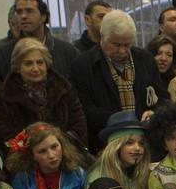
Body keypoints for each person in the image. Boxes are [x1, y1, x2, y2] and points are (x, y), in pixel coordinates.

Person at [71, 9, 169, 149]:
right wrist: (122, 122)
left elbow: (163, 97)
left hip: (145, 142)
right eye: (116, 45)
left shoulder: (145, 59)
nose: (122, 51)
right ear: (102, 37)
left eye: (127, 44)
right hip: (104, 144)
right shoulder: (83, 65)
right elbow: (84, 109)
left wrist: (155, 112)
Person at [0, 36, 88, 152]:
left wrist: (57, 148)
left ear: (46, 65)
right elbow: (2, 133)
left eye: (40, 62)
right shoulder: (2, 95)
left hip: (65, 156)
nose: (35, 68)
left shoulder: (64, 88)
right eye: (28, 64)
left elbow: (79, 126)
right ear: (18, 67)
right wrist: (34, 149)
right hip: (23, 160)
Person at [0, 0, 77, 85]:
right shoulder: (0, 56)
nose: (23, 16)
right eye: (19, 12)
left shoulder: (68, 52)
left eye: (29, 11)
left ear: (43, 16)